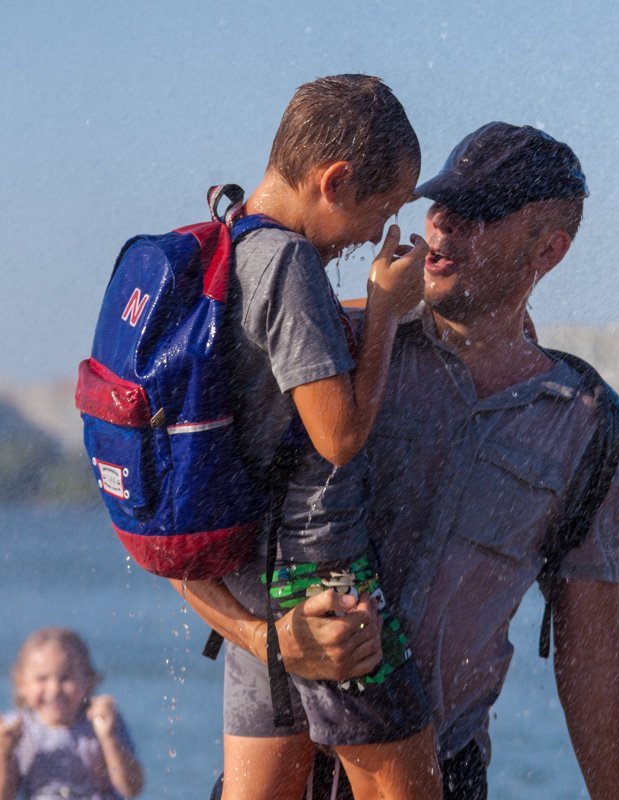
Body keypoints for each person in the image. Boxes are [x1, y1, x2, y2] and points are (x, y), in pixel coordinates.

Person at [183, 122, 619, 799]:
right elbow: (177, 535)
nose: (444, 222)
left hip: (442, 773)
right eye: (440, 202)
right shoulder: (334, 353)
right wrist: (264, 640)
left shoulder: (582, 420)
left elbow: (592, 650)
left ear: (549, 249)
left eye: (480, 212)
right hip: (283, 766)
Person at [174, 74, 440, 800]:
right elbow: (340, 436)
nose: (369, 236)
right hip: (322, 577)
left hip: (252, 576)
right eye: (378, 211)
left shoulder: (232, 246)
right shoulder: (289, 263)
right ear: (335, 180)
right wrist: (385, 310)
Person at [0, 627, 144, 800]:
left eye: (66, 677)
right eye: (42, 678)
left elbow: (131, 789)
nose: (54, 690)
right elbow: (0, 796)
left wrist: (109, 738)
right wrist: (1, 751)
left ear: (88, 680)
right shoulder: (16, 729)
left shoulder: (102, 722)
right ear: (21, 684)